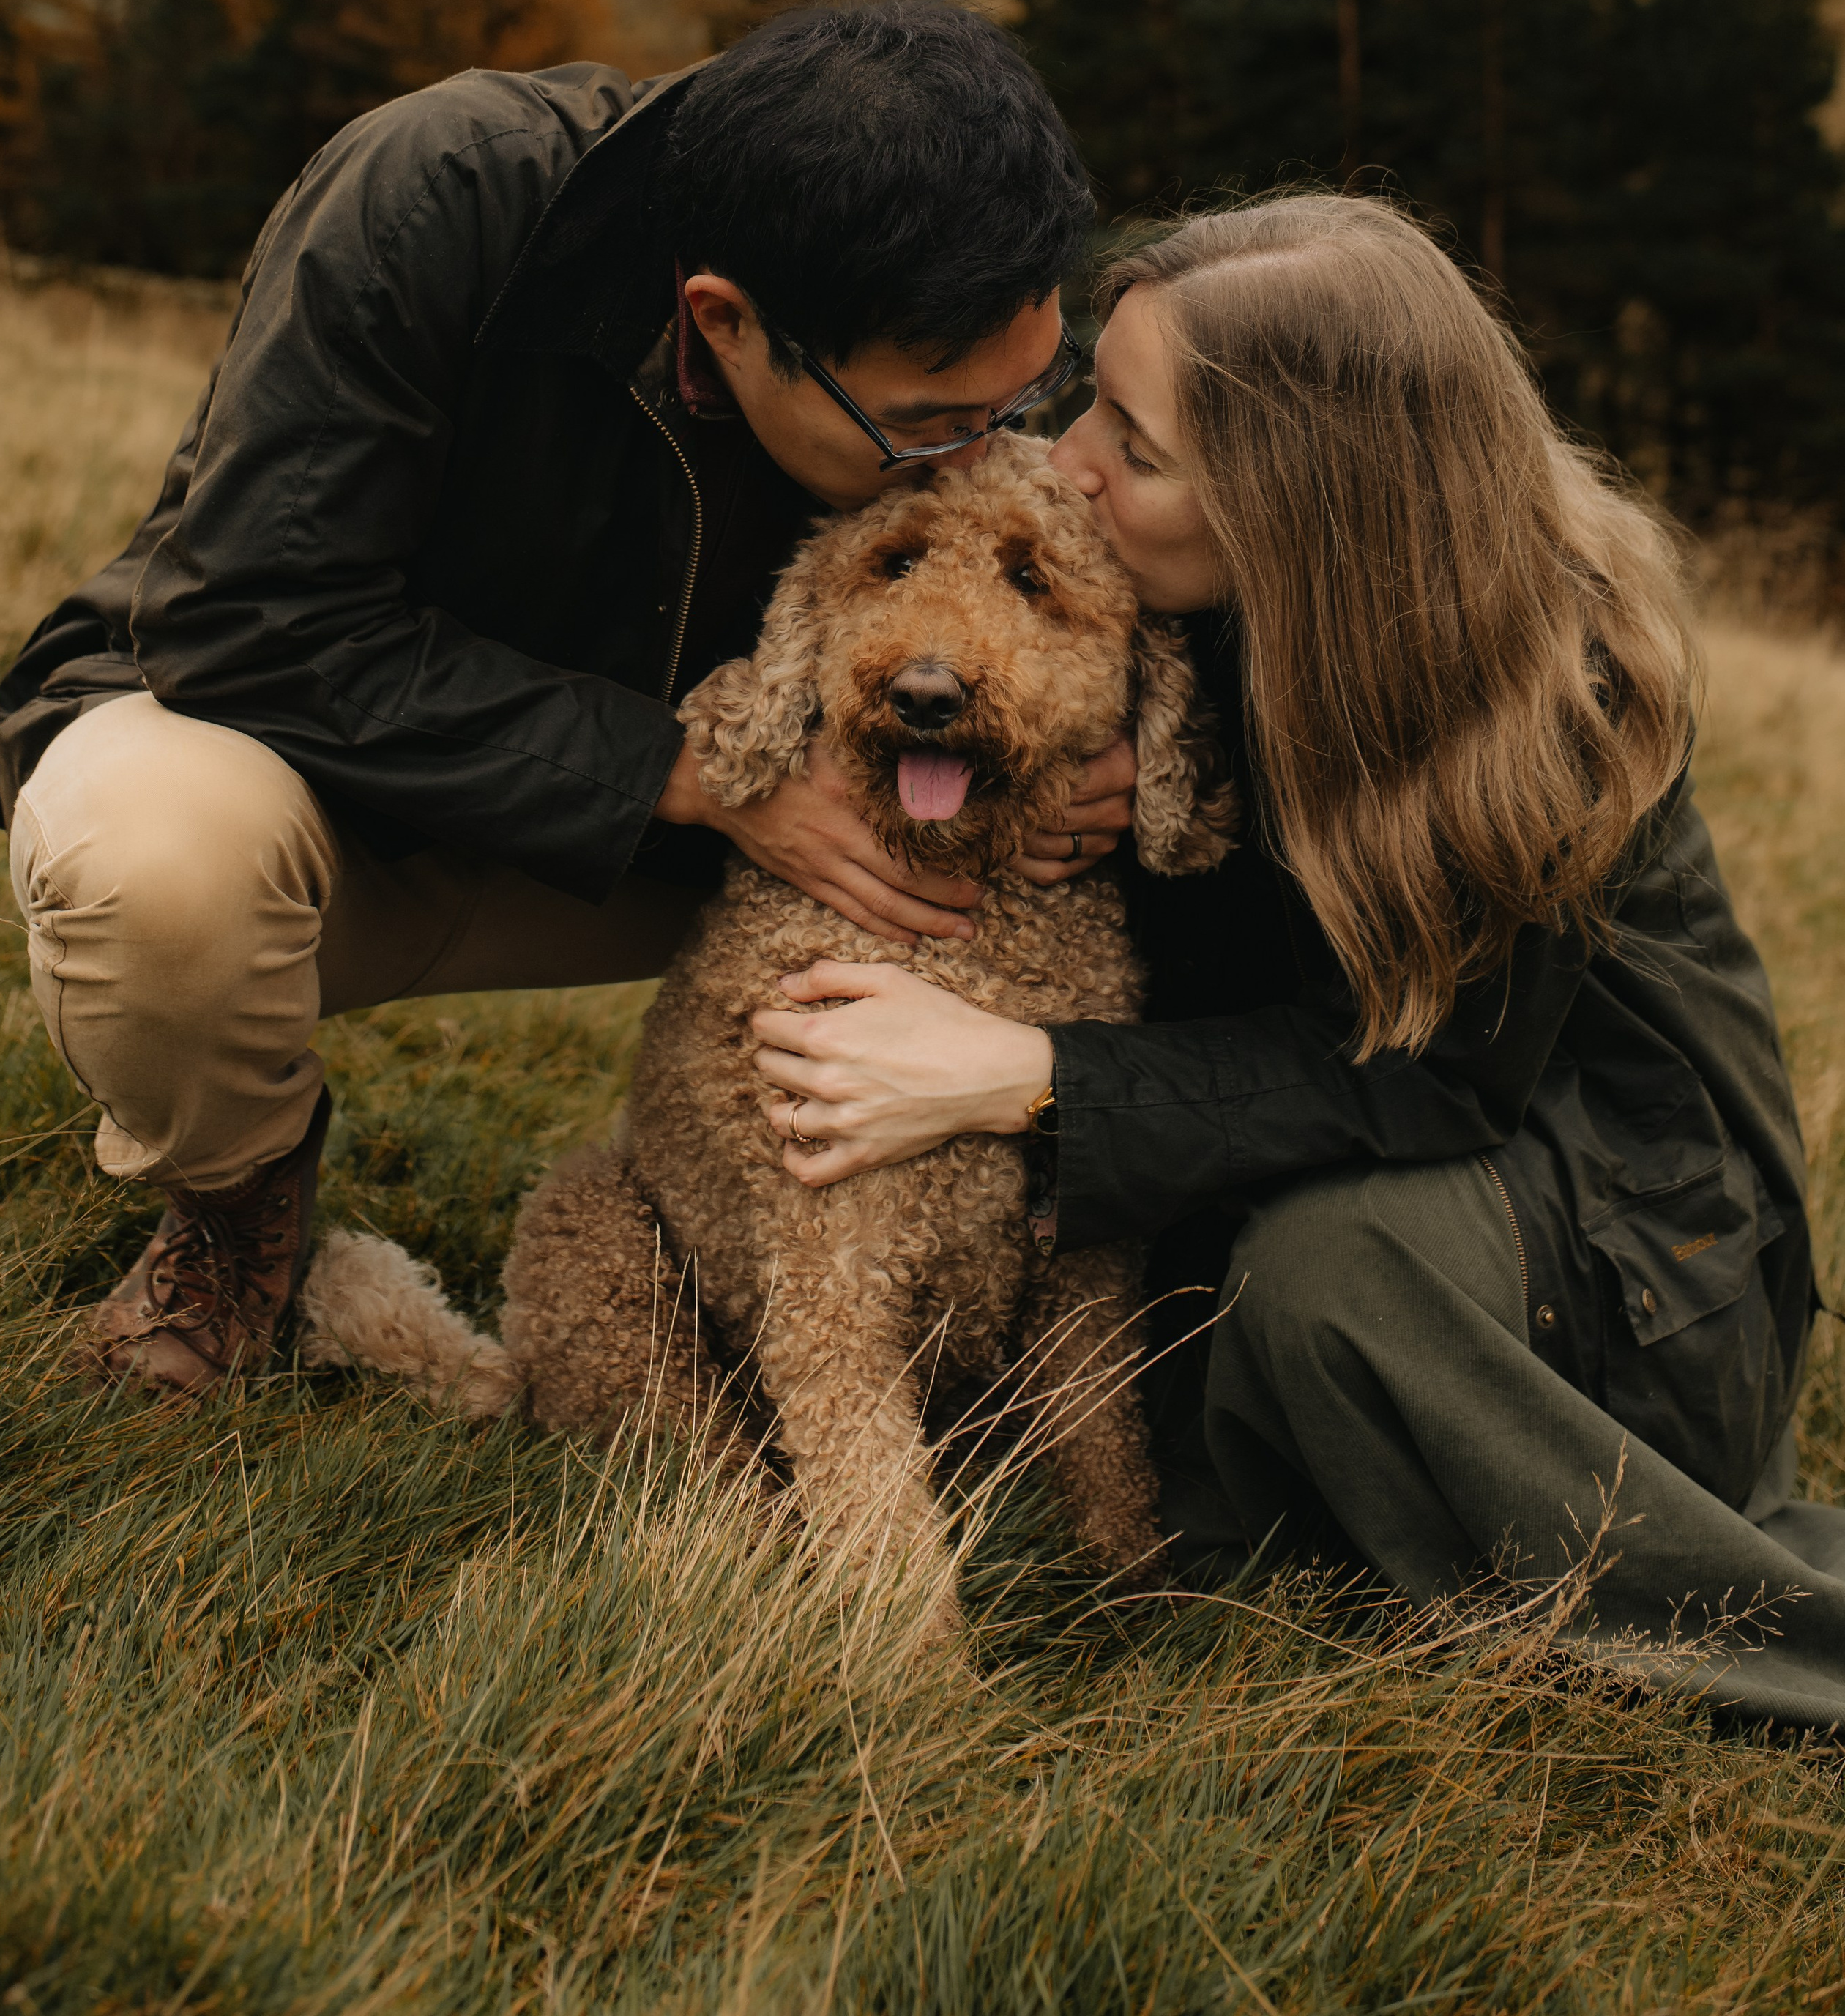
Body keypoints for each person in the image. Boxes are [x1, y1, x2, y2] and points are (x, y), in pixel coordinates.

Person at [749, 192, 1845, 1728]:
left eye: (1130, 445)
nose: (1064, 458)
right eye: (1086, 401)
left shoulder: (1541, 693)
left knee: (1310, 1284)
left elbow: (1429, 1075)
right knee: (1159, 1378)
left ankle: (1756, 1628)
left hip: (1626, 1250)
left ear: (1296, 502)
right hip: (1361, 1143)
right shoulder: (1187, 616)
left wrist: (1028, 1074)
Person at [0, 0, 1134, 1395]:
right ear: (729, 320)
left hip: (687, 856)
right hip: (331, 791)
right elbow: (251, 623)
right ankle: (235, 1214)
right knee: (143, 868)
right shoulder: (437, 196)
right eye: (929, 427)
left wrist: (1083, 749)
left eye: (1023, 402)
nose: (977, 465)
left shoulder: (928, 274)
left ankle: (1016, 1298)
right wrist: (686, 776)